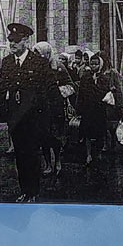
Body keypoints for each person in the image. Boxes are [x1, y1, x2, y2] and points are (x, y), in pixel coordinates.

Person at [0, 23, 52, 202]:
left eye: (16, 40)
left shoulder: (38, 62)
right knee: (20, 156)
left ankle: (33, 193)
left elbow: (47, 91)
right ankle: (24, 191)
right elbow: (1, 87)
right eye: (10, 40)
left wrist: (49, 118)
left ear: (26, 40)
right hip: (16, 118)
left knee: (32, 156)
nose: (12, 44)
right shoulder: (8, 62)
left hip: (34, 118)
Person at [35, 41, 72, 176]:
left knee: (55, 137)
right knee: (43, 137)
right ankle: (48, 164)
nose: (37, 56)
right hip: (40, 108)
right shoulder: (35, 68)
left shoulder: (59, 67)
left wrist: (58, 91)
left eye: (39, 53)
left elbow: (70, 84)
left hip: (55, 107)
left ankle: (57, 161)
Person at [78, 50, 121, 167]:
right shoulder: (85, 77)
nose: (93, 66)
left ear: (100, 65)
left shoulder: (104, 78)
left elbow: (104, 92)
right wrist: (79, 109)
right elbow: (81, 93)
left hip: (99, 109)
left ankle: (97, 153)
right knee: (87, 133)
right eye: (92, 63)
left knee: (99, 133)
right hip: (88, 109)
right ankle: (88, 155)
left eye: (96, 64)